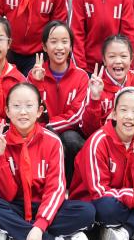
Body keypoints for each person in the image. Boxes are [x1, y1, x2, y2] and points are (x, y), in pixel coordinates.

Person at [0, 83, 95, 240]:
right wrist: (0, 156)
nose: (23, 112)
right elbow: (7, 195)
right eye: (16, 106)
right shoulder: (0, 142)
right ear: (7, 111)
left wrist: (40, 225)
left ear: (39, 111)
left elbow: (56, 189)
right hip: (16, 206)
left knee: (87, 212)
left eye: (29, 106)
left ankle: (16, 235)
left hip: (44, 205)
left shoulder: (52, 141)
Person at [70, 87, 134, 240]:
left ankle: (121, 234)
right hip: (92, 203)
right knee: (109, 207)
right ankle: (130, 228)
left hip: (122, 201)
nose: (129, 116)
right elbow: (98, 192)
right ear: (114, 114)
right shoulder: (98, 141)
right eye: (123, 110)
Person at [27, 21, 89, 178]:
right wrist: (38, 83)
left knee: (70, 139)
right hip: (40, 132)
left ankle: (70, 185)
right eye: (53, 42)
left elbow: (77, 116)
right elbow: (30, 111)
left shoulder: (81, 76)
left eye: (65, 41)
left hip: (68, 134)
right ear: (44, 46)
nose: (60, 47)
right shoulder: (34, 75)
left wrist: (50, 126)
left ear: (71, 46)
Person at [82, 35, 134, 138]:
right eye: (112, 56)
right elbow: (88, 131)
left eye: (123, 56)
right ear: (104, 60)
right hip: (103, 137)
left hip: (132, 135)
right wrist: (95, 98)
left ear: (131, 59)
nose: (118, 61)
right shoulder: (95, 84)